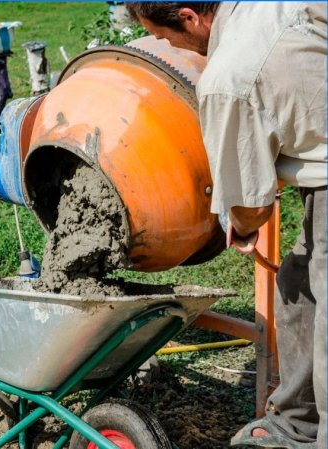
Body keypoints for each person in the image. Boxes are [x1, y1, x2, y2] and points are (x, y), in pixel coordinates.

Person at [126, 3, 326, 449]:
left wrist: (241, 223)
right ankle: (297, 424)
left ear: (189, 17)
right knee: (298, 281)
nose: (166, 45)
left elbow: (250, 204)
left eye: (162, 35)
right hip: (320, 175)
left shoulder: (228, 77)